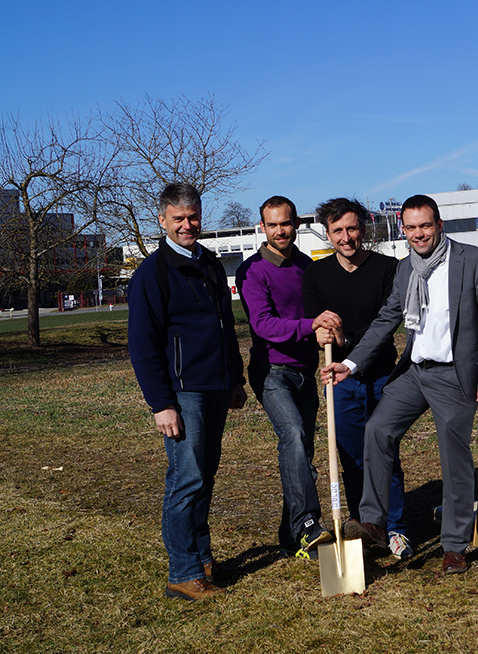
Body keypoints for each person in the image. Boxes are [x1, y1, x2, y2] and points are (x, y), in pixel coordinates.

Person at [322, 194, 478, 575]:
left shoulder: (472, 260)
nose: (418, 234)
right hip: (414, 372)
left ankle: (454, 545)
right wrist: (350, 364)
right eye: (411, 227)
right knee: (378, 429)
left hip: (454, 375)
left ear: (439, 224)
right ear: (403, 229)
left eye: (425, 225)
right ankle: (374, 522)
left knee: (454, 459)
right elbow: (386, 320)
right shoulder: (407, 268)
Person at [128, 183, 247, 601]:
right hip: (183, 393)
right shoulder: (152, 274)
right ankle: (182, 572)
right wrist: (161, 404)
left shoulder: (209, 263)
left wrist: (235, 379)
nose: (187, 225)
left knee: (204, 476)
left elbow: (225, 328)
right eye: (177, 218)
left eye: (193, 216)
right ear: (162, 220)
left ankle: (202, 559)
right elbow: (142, 346)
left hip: (216, 387)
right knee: (186, 478)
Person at [302, 198, 412, 559]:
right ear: (328, 233)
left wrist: (347, 341)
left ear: (363, 229)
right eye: (338, 231)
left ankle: (395, 528)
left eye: (351, 228)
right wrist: (321, 333)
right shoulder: (316, 275)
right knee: (350, 458)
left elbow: (386, 324)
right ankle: (364, 525)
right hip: (339, 381)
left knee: (384, 451)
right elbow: (314, 324)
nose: (346, 237)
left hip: (381, 376)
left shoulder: (388, 269)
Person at [235, 196, 342, 559]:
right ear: (262, 227)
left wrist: (325, 331)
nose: (280, 231)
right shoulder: (251, 271)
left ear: (296, 224)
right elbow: (263, 324)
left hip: (305, 372)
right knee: (293, 435)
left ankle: (290, 536)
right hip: (271, 372)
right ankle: (309, 523)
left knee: (301, 454)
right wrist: (310, 326)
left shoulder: (306, 267)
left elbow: (317, 315)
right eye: (273, 225)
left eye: (285, 223)